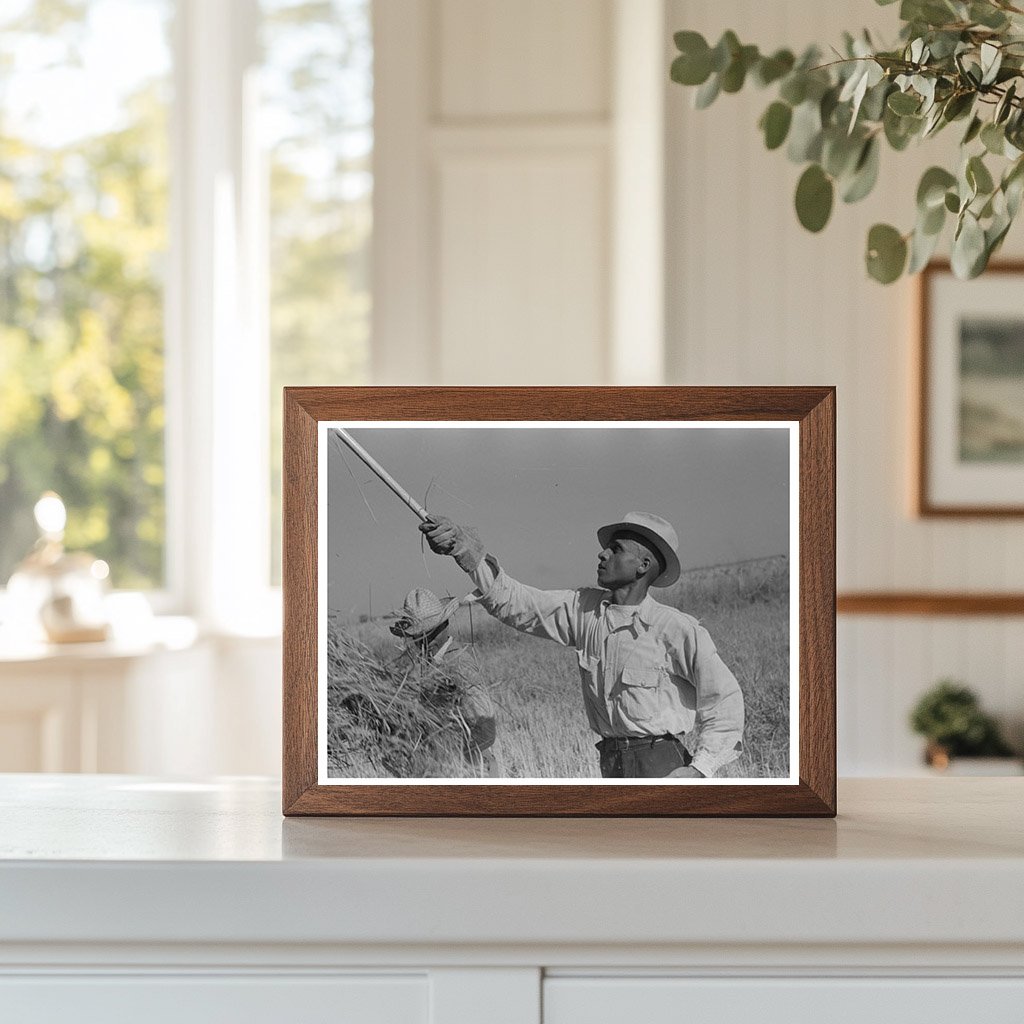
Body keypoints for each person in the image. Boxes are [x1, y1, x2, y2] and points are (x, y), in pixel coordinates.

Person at [419, 511, 744, 779]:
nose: (602, 553)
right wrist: (469, 555)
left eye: (616, 549)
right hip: (611, 765)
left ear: (642, 566)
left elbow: (725, 700)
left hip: (663, 765)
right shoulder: (584, 612)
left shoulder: (675, 629)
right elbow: (518, 603)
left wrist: (699, 771)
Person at [389, 587, 499, 777]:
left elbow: (486, 727)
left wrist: (458, 759)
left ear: (444, 625)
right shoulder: (429, 665)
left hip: (471, 770)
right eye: (417, 635)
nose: (423, 640)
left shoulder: (459, 665)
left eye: (429, 632)